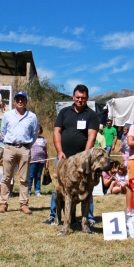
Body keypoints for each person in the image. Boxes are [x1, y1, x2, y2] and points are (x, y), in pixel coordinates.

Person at [42, 85, 99, 226]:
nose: (80, 100)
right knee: (58, 187)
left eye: (83, 98)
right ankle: (54, 215)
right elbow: (57, 132)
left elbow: (91, 137)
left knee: (87, 186)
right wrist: (59, 151)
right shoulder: (64, 112)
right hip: (63, 158)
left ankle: (89, 217)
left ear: (87, 98)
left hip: (82, 160)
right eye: (78, 97)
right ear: (73, 97)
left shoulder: (92, 115)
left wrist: (84, 157)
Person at [0, 91, 39, 214]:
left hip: (24, 148)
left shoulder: (32, 116)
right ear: (14, 102)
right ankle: (3, 204)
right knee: (6, 178)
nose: (20, 101)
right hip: (9, 148)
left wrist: (28, 146)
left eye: (22, 99)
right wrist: (8, 143)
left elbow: (35, 133)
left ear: (26, 101)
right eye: (18, 99)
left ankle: (24, 204)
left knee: (24, 179)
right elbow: (3, 130)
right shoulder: (7, 115)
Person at [28, 124, 48, 197]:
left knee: (38, 176)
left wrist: (47, 162)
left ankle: (37, 190)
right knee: (30, 175)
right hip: (32, 160)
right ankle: (28, 190)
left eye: (38, 129)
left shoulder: (44, 140)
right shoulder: (30, 139)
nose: (37, 131)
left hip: (41, 161)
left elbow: (46, 151)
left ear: (40, 130)